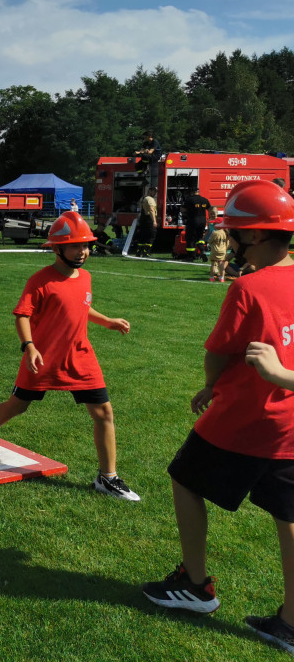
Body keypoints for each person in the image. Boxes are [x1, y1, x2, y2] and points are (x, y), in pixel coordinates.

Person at [141, 181, 294, 654]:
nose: (232, 237)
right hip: (291, 425)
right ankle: (291, 621)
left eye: (237, 231)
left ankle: (196, 584)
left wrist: (212, 384)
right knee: (288, 515)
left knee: (184, 479)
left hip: (244, 418)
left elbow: (218, 352)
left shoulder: (248, 286)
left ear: (257, 236)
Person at [0, 211, 140, 501]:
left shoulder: (86, 276)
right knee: (18, 405)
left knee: (104, 412)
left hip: (80, 358)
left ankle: (108, 477)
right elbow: (22, 315)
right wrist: (29, 346)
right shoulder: (41, 281)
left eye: (86, 245)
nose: (83, 252)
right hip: (42, 358)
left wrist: (107, 321)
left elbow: (79, 307)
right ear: (57, 249)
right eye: (76, 246)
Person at [181, 186, 211, 260]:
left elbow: (182, 210)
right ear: (198, 192)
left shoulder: (189, 199)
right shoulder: (204, 200)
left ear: (192, 192)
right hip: (203, 221)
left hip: (193, 221)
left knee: (190, 238)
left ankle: (191, 257)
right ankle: (203, 251)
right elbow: (210, 210)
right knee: (200, 238)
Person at [133, 186, 158, 257]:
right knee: (151, 236)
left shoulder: (143, 198)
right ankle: (146, 252)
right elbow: (151, 210)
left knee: (142, 236)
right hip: (149, 219)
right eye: (154, 191)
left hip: (142, 218)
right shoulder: (150, 199)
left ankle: (138, 252)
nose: (155, 193)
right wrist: (154, 221)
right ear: (149, 191)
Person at [207, 212, 228, 282]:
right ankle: (221, 277)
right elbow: (227, 242)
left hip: (215, 250)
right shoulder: (225, 233)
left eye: (215, 223)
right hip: (223, 251)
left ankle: (212, 277)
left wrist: (209, 243)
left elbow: (210, 241)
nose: (213, 224)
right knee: (221, 265)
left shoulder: (214, 233)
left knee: (213, 264)